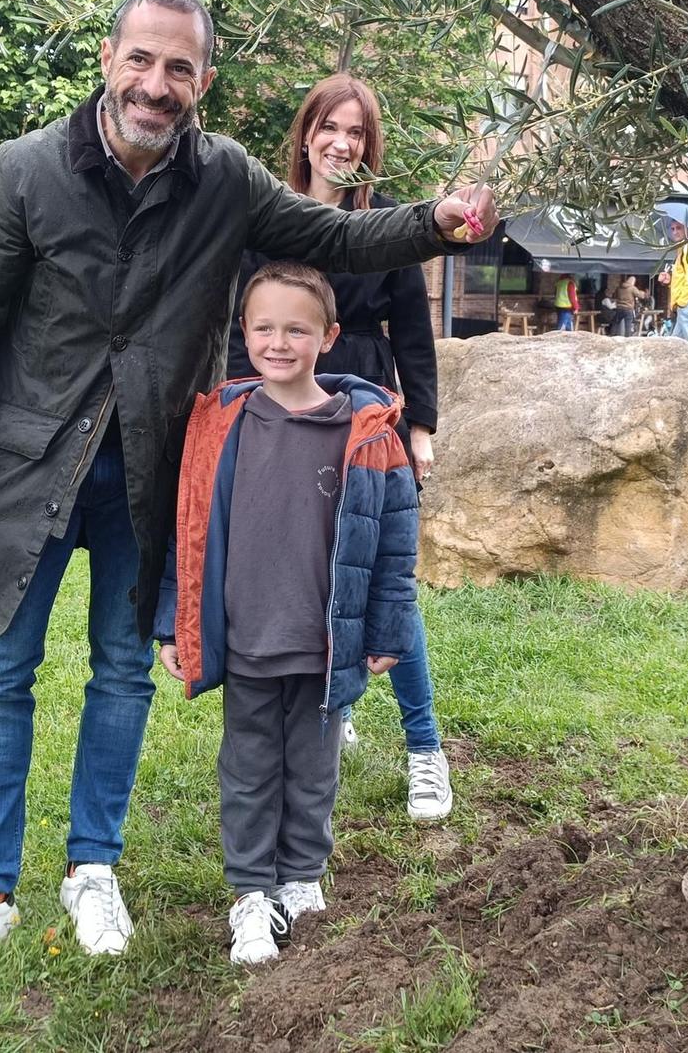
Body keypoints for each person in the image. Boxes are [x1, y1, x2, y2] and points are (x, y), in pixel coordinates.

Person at [0, 0, 496, 995]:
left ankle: (92, 868)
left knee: (122, 672)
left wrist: (434, 225)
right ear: (107, 59)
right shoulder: (26, 172)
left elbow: (337, 240)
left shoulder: (222, 178)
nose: (156, 83)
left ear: (203, 82)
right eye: (140, 60)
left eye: (178, 68)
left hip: (152, 465)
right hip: (25, 466)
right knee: (0, 674)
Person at [156, 261, 420, 966]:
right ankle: (250, 892)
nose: (279, 342)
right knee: (247, 767)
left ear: (328, 337)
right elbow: (186, 530)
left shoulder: (367, 433)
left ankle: (302, 877)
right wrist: (172, 623)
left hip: (324, 642)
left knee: (314, 767)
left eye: (296, 329)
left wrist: (387, 631)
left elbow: (394, 547)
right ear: (243, 334)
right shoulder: (221, 426)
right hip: (246, 638)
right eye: (264, 327)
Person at [225, 74, 452, 824]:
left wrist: (418, 426)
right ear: (306, 133)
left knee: (384, 574)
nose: (343, 142)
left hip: (361, 411)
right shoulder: (265, 220)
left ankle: (425, 748)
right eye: (331, 127)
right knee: (307, 566)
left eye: (357, 132)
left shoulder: (387, 226)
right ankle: (335, 706)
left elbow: (412, 332)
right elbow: (243, 327)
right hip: (278, 416)